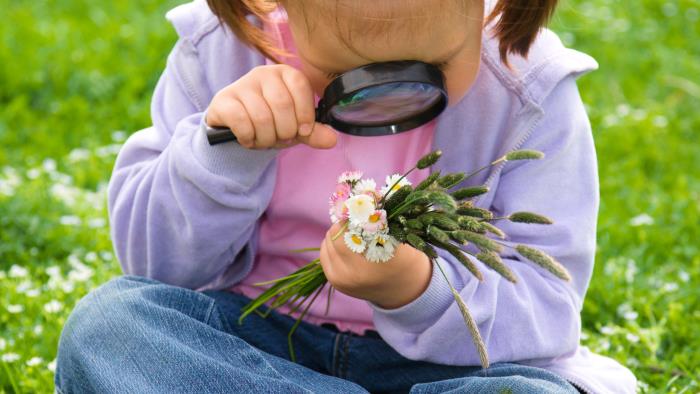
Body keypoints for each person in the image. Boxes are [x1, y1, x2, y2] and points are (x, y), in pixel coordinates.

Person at [54, 0, 637, 393]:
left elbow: (546, 312)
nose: (388, 106)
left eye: (427, 71)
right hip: (260, 344)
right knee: (108, 328)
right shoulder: (223, 49)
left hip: (448, 372)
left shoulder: (526, 89)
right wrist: (222, 150)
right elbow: (155, 268)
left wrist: (418, 291)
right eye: (343, 80)